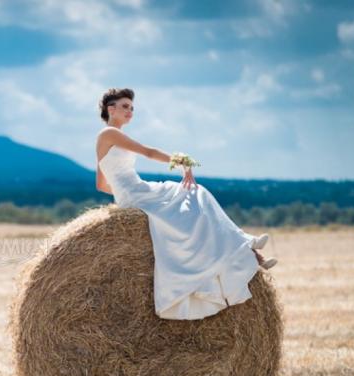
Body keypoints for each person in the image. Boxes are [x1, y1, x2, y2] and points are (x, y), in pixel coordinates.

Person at [95, 87, 277, 320]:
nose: (130, 111)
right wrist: (181, 161)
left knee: (194, 199)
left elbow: (101, 184)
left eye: (131, 107)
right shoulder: (109, 133)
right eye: (125, 106)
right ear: (111, 109)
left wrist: (122, 192)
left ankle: (248, 248)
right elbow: (148, 152)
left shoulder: (106, 139)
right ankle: (247, 247)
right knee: (195, 195)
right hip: (136, 193)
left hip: (134, 192)